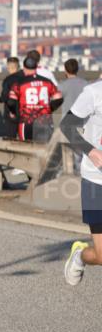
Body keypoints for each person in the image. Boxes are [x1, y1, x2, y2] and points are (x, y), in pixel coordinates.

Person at [60, 80, 102, 286]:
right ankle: (80, 255)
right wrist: (91, 151)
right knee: (101, 256)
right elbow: (66, 125)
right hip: (96, 180)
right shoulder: (93, 93)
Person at [7, 55, 63, 143]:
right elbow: (59, 99)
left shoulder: (19, 84)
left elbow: (11, 102)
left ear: (24, 68)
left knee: (25, 149)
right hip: (44, 121)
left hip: (26, 121)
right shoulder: (47, 82)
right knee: (44, 150)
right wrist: (49, 109)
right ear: (36, 67)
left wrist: (14, 112)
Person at [0, 56, 23, 139]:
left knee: (11, 137)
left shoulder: (8, 80)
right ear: (18, 66)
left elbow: (4, 97)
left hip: (11, 112)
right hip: (25, 112)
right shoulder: (26, 78)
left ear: (8, 67)